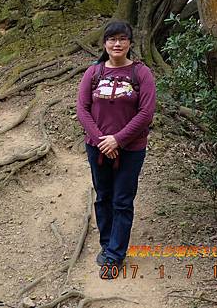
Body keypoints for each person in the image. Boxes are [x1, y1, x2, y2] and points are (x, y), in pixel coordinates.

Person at [76, 21, 156, 279]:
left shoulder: (141, 73)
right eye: (112, 39)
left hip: (131, 150)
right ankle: (107, 243)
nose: (117, 43)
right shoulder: (94, 73)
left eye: (123, 39)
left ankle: (115, 255)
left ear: (130, 43)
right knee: (103, 197)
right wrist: (102, 140)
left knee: (122, 200)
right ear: (105, 44)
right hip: (97, 147)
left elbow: (146, 113)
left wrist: (118, 140)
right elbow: (82, 109)